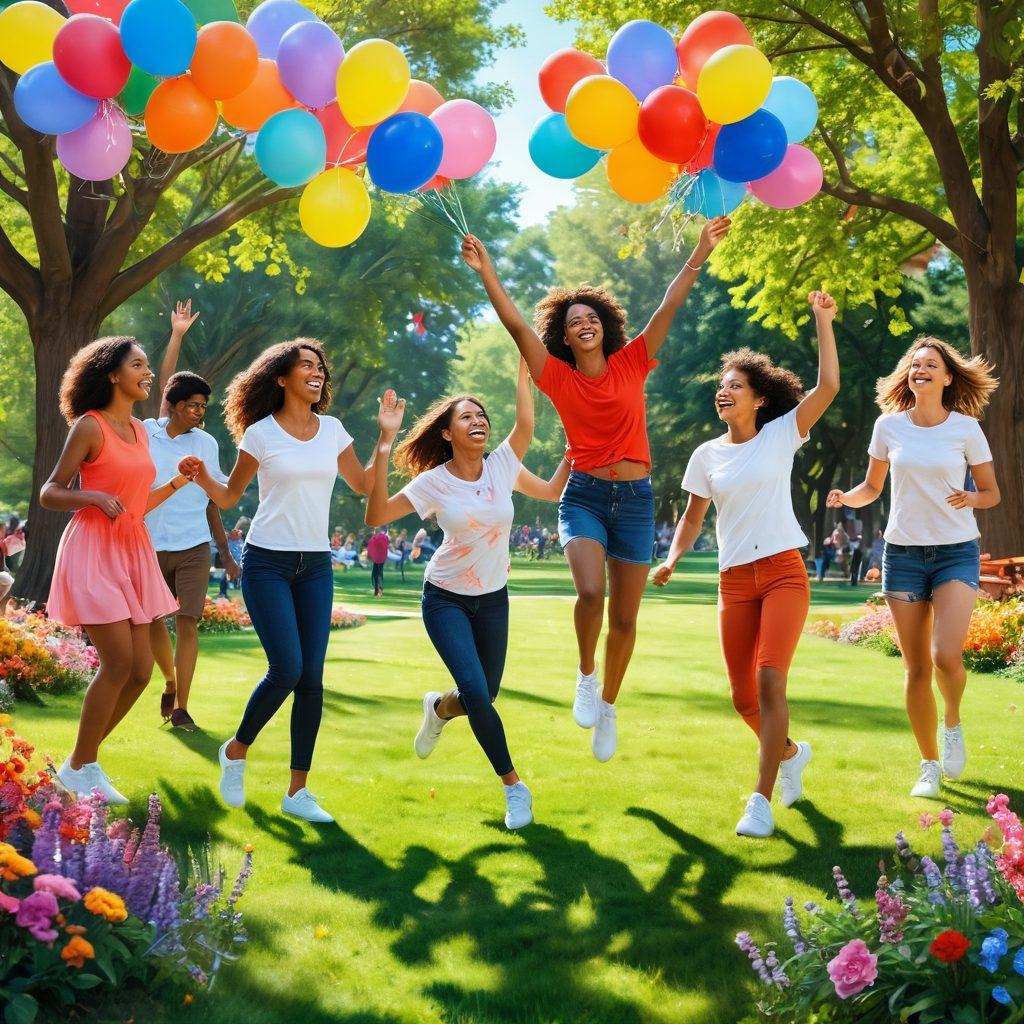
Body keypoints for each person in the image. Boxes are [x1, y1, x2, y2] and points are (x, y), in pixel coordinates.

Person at [462, 216, 732, 763]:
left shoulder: (633, 359)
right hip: (583, 494)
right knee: (591, 595)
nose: (583, 324)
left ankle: (608, 705)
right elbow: (516, 325)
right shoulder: (557, 377)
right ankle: (586, 674)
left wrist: (699, 252)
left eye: (590, 318)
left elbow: (667, 308)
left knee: (627, 620)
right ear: (564, 337)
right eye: (573, 322)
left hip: (635, 501)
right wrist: (487, 271)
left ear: (603, 326)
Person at [651, 291, 839, 838]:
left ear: (759, 399)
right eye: (721, 386)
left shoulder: (783, 435)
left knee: (769, 679)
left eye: (735, 385)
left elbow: (828, 387)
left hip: (783, 571)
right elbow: (691, 517)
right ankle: (790, 753)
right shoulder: (706, 455)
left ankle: (759, 800)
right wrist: (671, 559)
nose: (723, 392)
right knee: (741, 698)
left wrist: (823, 321)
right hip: (733, 581)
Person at [182, 338, 384, 824]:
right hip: (267, 563)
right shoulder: (261, 434)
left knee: (312, 679)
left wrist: (386, 437)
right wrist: (199, 477)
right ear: (281, 377)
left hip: (315, 565)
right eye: (307, 366)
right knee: (288, 668)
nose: (318, 373)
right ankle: (236, 749)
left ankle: (297, 791)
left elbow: (363, 484)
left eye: (321, 366)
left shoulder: (333, 430)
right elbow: (229, 496)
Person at [365, 362, 569, 829]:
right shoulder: (433, 482)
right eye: (467, 416)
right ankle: (515, 788)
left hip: (494, 599)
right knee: (479, 693)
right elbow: (376, 515)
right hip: (445, 598)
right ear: (447, 433)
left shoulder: (502, 464)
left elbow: (527, 425)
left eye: (482, 415)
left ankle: (439, 708)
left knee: (483, 694)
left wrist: (525, 371)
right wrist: (384, 442)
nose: (478, 420)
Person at [826, 336, 999, 799]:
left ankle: (953, 722)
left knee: (946, 656)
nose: (921, 368)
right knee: (916, 667)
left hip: (955, 551)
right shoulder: (888, 426)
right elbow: (872, 486)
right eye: (915, 363)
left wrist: (971, 498)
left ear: (946, 377)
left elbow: (992, 493)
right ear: (909, 375)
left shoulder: (965, 429)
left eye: (931, 364)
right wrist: (847, 497)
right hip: (902, 555)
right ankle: (928, 765)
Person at [40, 336, 193, 803]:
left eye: (148, 366)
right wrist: (90, 496)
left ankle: (81, 764)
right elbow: (50, 492)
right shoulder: (89, 426)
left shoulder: (141, 432)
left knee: (142, 671)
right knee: (118, 663)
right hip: (94, 550)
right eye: (138, 365)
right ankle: (82, 767)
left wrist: (177, 482)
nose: (148, 373)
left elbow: (136, 504)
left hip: (132, 549)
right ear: (112, 375)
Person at [145, 366, 238, 731]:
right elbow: (164, 377)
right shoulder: (146, 434)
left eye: (203, 406)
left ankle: (183, 705)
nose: (199, 412)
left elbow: (213, 500)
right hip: (150, 544)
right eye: (192, 405)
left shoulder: (206, 443)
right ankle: (169, 679)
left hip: (194, 545)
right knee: (154, 620)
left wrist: (225, 554)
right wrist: (178, 335)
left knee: (188, 622)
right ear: (173, 405)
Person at [367, 528, 389, 596]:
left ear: (375, 532)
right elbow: (386, 546)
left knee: (375, 573)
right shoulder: (385, 538)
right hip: (382, 558)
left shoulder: (374, 538)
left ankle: (376, 588)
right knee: (380, 573)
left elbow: (370, 547)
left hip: (376, 558)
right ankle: (381, 588)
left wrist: (370, 556)